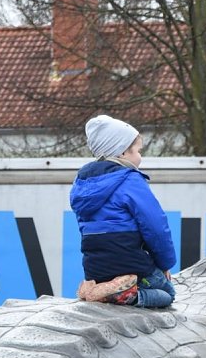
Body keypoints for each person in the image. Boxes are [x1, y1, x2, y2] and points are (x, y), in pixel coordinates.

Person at [70, 115, 176, 308]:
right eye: (138, 150)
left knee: (108, 276)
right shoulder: (130, 180)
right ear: (122, 153)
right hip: (130, 262)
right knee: (168, 293)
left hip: (95, 269)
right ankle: (129, 296)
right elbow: (155, 226)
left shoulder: (82, 183)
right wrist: (165, 263)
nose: (140, 156)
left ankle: (94, 288)